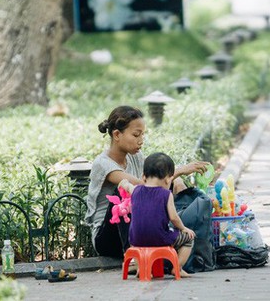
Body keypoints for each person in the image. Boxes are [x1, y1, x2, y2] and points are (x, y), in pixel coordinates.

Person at [85, 105, 208, 258]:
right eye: (136, 135)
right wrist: (179, 171)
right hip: (108, 239)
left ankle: (177, 238)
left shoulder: (135, 156)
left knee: (174, 183)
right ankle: (132, 256)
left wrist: (176, 181)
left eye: (143, 135)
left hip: (138, 232)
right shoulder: (103, 164)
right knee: (125, 190)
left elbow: (155, 179)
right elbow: (143, 187)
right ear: (117, 135)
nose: (141, 140)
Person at [122, 152, 196, 278]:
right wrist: (183, 229)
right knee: (189, 239)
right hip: (159, 238)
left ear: (144, 177)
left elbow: (127, 186)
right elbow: (173, 217)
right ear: (168, 179)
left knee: (140, 242)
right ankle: (177, 268)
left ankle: (142, 269)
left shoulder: (136, 190)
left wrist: (123, 183)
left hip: (135, 240)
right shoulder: (166, 195)